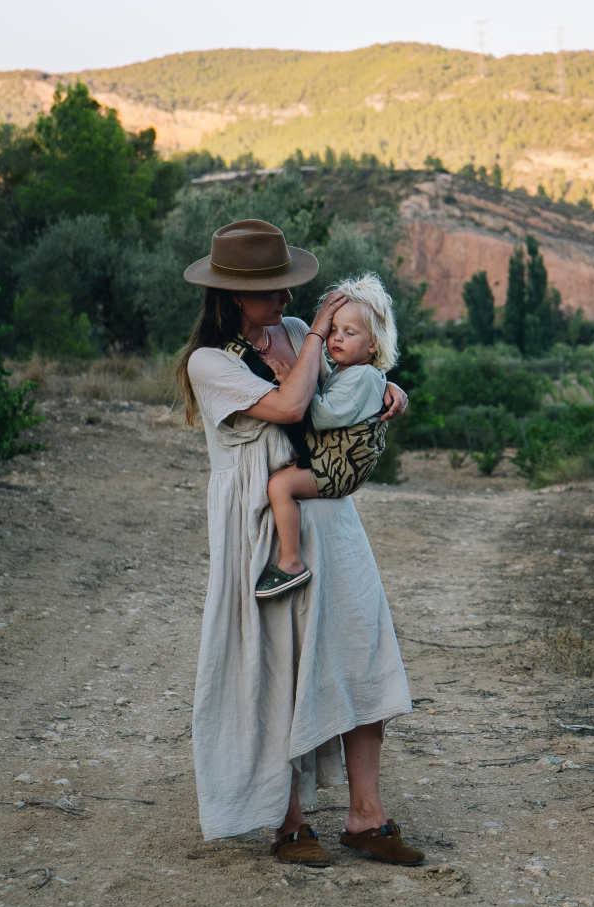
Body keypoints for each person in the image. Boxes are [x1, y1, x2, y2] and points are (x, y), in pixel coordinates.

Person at [175, 219, 424, 867]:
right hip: (262, 521)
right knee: (278, 664)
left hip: (328, 513)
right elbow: (288, 409)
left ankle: (367, 817)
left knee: (362, 646)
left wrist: (387, 389)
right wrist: (316, 334)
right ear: (233, 296)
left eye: (291, 292)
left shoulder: (292, 334)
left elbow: (338, 391)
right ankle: (288, 823)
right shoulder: (209, 364)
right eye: (274, 293)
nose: (288, 303)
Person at [255, 272, 398, 599]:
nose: (336, 338)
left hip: (340, 466)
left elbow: (320, 416)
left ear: (374, 343)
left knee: (280, 485)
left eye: (349, 332)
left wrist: (292, 382)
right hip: (336, 458)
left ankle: (291, 563)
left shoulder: (362, 377)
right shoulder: (353, 372)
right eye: (333, 329)